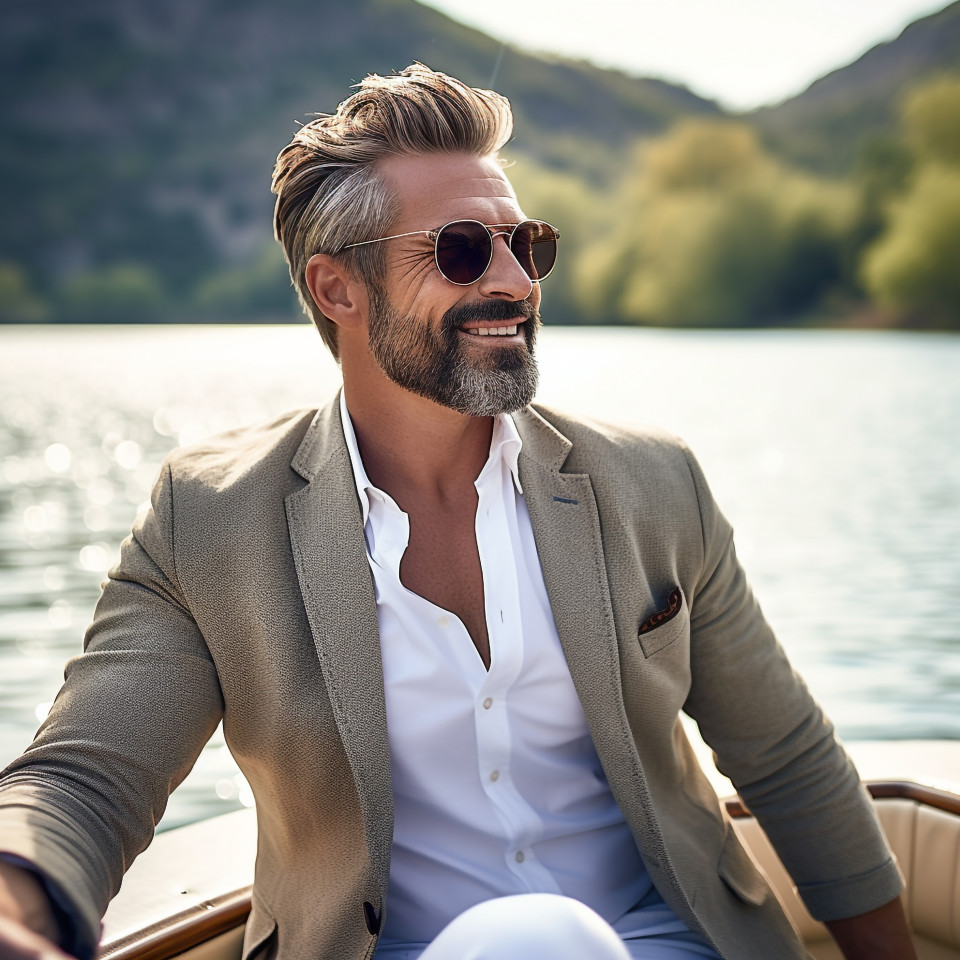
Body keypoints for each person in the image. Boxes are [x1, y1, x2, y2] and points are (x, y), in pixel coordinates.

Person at [0, 64, 917, 960]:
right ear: (337, 289)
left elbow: (787, 757)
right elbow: (86, 778)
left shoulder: (654, 483)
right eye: (463, 250)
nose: (516, 282)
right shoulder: (209, 522)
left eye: (528, 245)